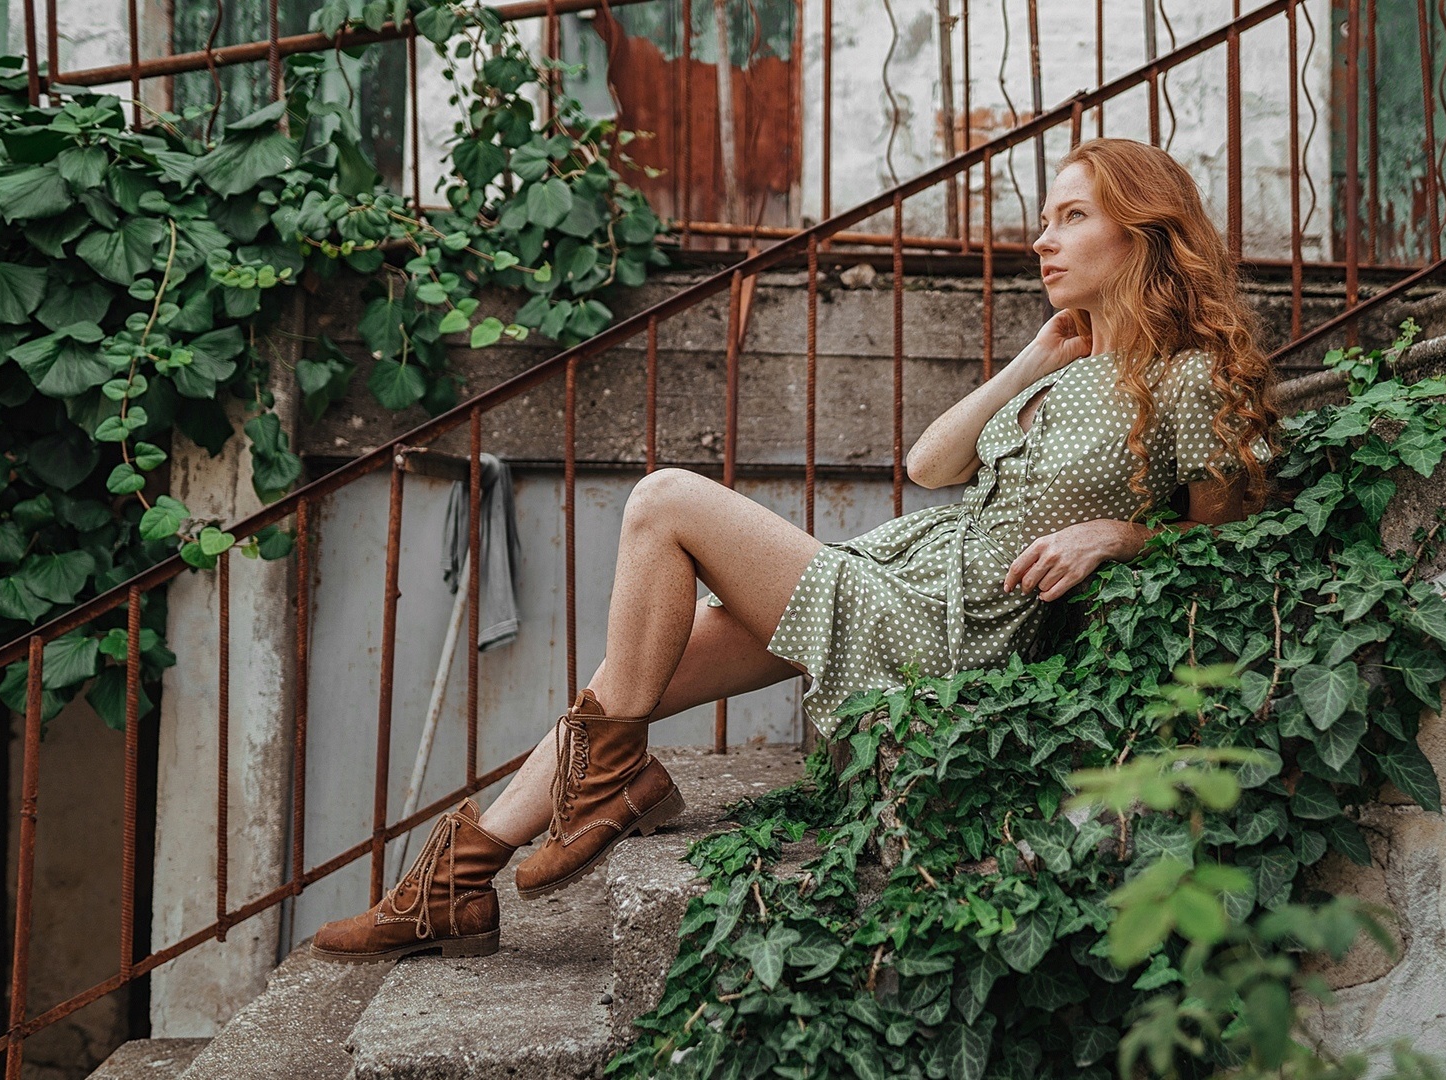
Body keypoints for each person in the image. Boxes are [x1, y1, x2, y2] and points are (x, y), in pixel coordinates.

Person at [309, 137, 1276, 963]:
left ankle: (613, 785)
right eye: (1046, 216)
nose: (1041, 236)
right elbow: (932, 464)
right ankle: (461, 877)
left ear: (1141, 232)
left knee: (663, 501)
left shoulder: (1187, 379)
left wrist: (1121, 533)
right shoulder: (1068, 367)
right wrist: (1034, 357)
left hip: (956, 635)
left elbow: (1229, 540)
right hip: (911, 576)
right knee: (635, 668)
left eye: (1071, 216)